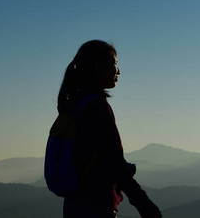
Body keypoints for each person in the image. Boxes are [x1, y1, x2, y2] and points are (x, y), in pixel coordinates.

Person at [57, 40, 161, 218]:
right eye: (114, 64)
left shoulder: (75, 103)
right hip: (96, 204)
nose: (118, 71)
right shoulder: (96, 107)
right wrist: (145, 205)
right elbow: (113, 161)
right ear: (98, 67)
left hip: (74, 203)